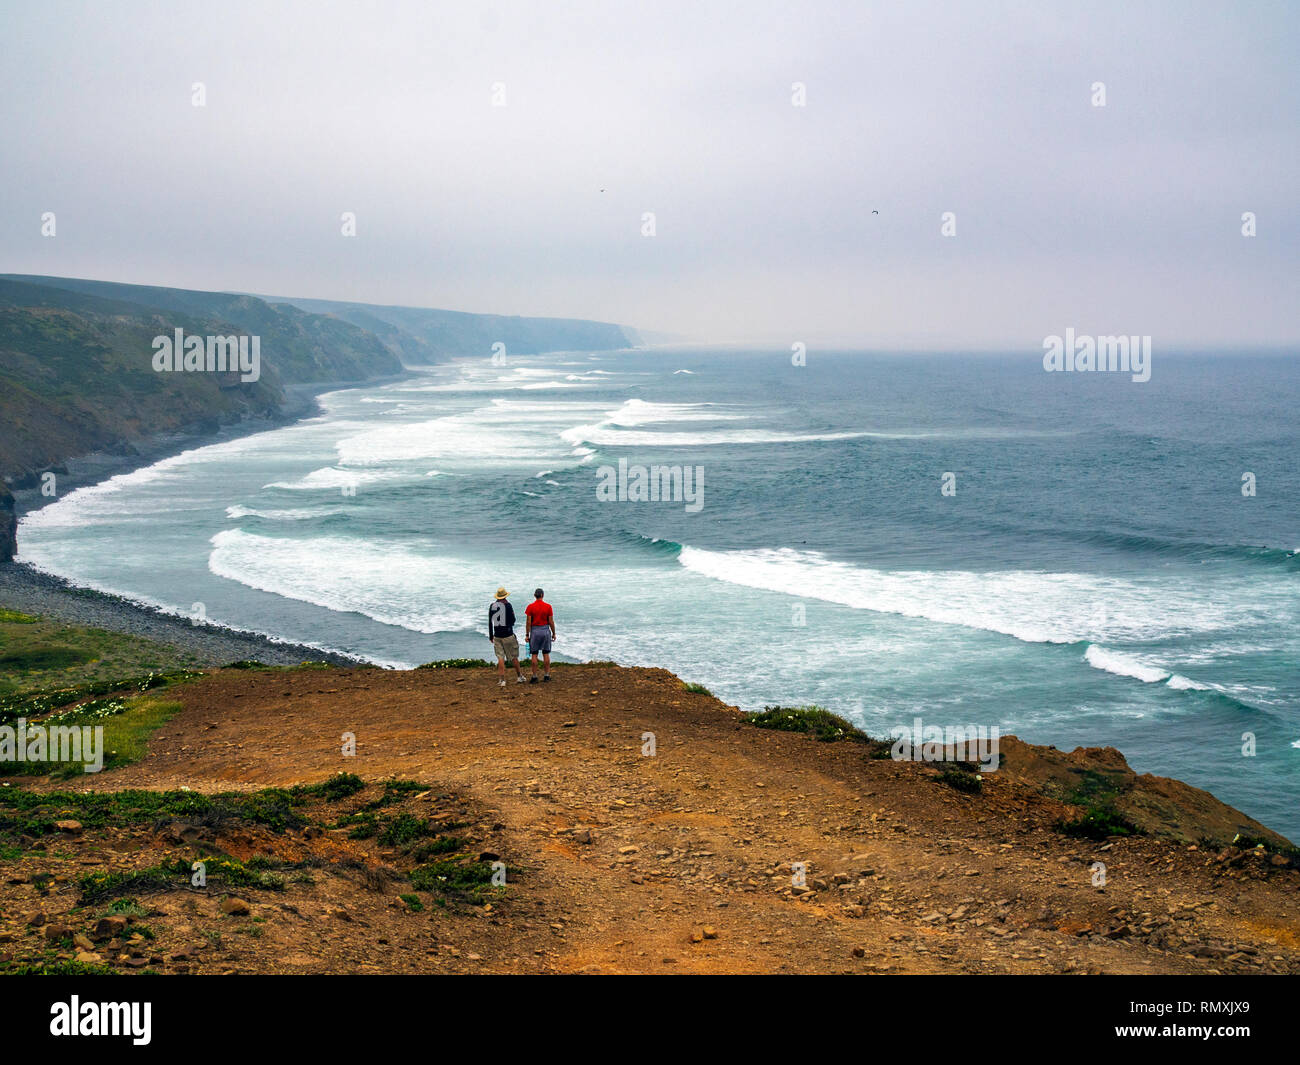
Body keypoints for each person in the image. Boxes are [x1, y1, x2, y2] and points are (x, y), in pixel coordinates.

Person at [488, 587, 526, 687]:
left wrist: (491, 635)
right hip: (508, 635)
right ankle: (519, 676)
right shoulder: (508, 606)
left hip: (497, 635)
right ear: (505, 597)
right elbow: (513, 620)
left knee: (500, 658)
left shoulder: (492, 606)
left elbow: (490, 622)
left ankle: (502, 680)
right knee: (514, 657)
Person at [524, 587, 556, 683]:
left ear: (535, 595)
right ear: (542, 595)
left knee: (534, 654)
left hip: (535, 631)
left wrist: (527, 634)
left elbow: (528, 622)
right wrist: (554, 633)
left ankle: (534, 677)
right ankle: (546, 676)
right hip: (545, 630)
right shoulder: (548, 606)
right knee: (545, 653)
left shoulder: (530, 607)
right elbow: (551, 621)